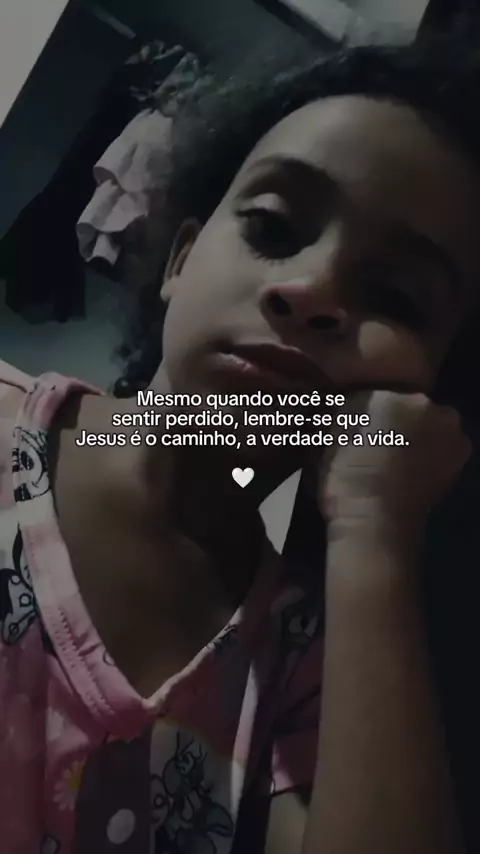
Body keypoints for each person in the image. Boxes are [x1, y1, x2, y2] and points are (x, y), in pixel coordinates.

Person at [1, 34, 479, 854]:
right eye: (274, 227)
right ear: (180, 260)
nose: (313, 289)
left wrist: (375, 530)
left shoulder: (308, 661)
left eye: (396, 296)